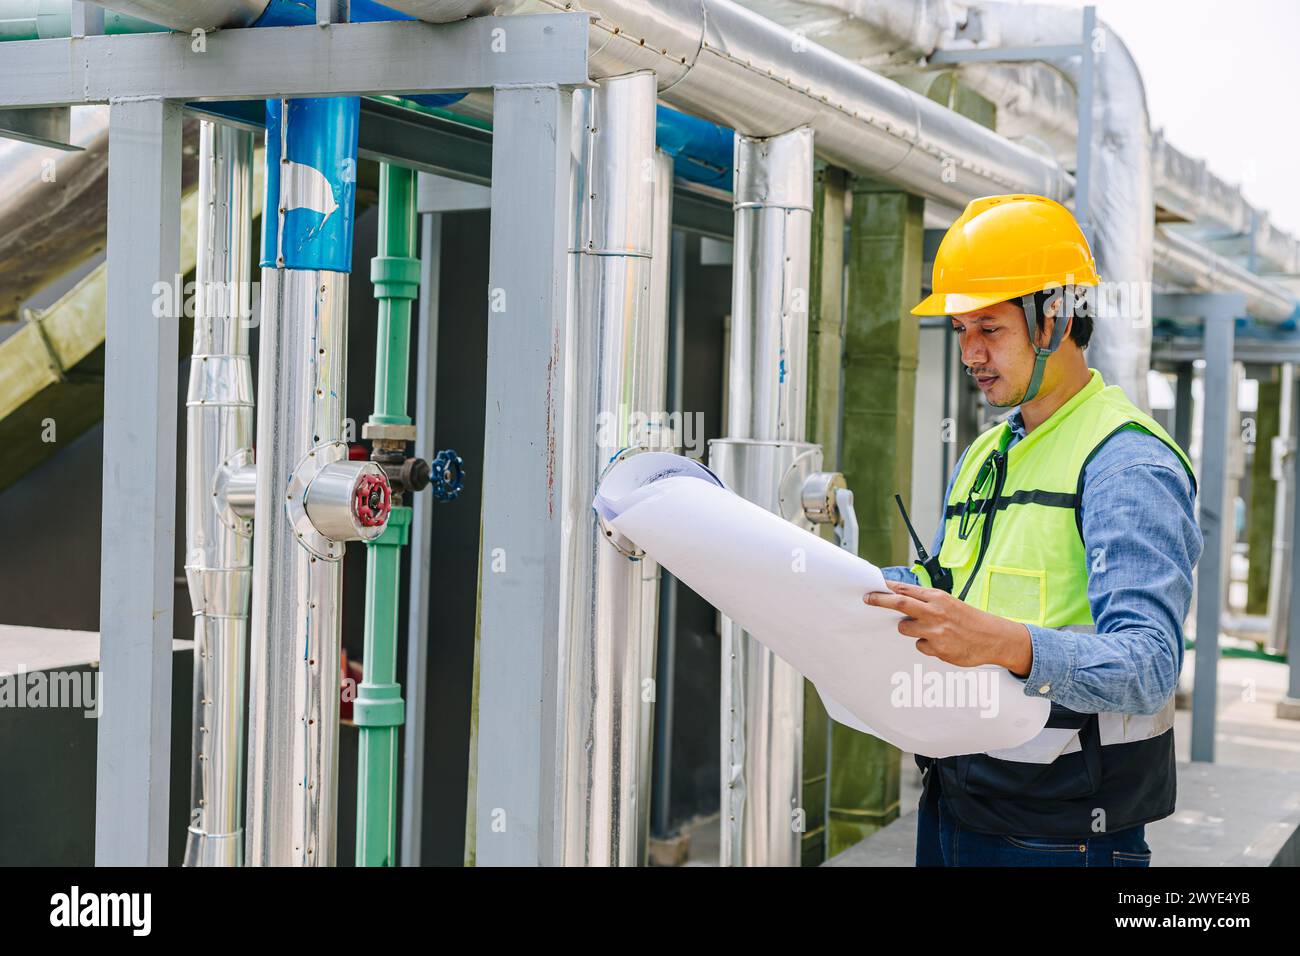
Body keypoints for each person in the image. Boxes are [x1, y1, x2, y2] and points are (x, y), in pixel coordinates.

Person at [868, 194, 1203, 867]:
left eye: (988, 328)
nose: (970, 352)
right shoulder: (985, 456)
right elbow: (952, 589)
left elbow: (1147, 667)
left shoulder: (1125, 462)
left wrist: (1002, 643)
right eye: (961, 330)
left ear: (1053, 317)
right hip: (956, 803)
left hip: (1065, 835)